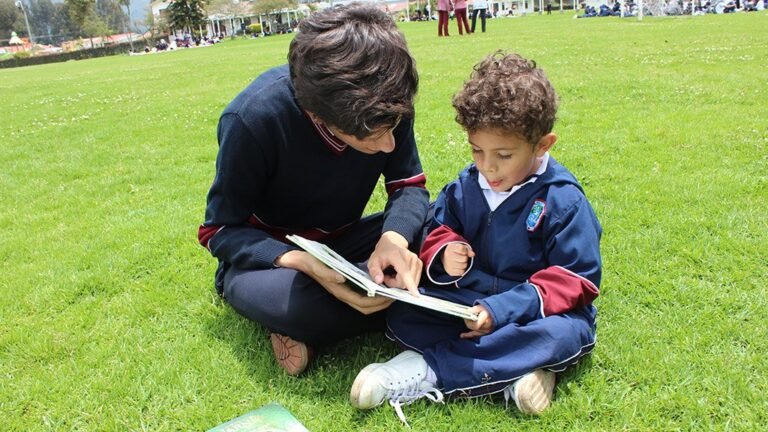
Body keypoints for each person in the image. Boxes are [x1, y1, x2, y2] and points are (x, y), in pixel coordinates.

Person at [350, 52, 602, 421]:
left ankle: (426, 372)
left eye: (503, 154)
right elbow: (437, 226)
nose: (487, 166)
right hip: (469, 302)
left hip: (531, 314)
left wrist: (501, 311)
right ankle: (517, 374)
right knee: (405, 314)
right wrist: (445, 249)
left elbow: (575, 278)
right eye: (476, 150)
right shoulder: (465, 186)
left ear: (543, 145)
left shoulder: (563, 200)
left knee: (564, 335)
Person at [198, 3, 429, 376]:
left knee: (446, 219)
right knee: (300, 306)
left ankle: (367, 297)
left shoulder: (389, 102)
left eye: (394, 128)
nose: (389, 145)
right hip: (274, 264)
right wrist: (301, 261)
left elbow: (409, 186)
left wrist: (394, 240)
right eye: (373, 136)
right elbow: (219, 231)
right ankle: (407, 299)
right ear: (322, 117)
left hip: (345, 244)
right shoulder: (253, 120)